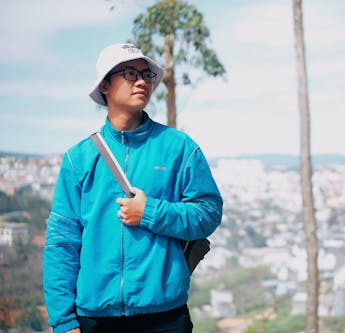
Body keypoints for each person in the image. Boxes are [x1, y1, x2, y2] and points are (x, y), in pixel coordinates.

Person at [43, 43, 223, 333]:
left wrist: (150, 211)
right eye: (129, 73)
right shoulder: (78, 158)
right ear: (104, 85)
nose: (141, 81)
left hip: (165, 316)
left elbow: (209, 213)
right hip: (95, 318)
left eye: (146, 75)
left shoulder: (180, 148)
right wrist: (63, 321)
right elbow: (62, 242)